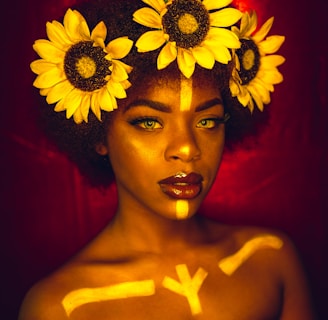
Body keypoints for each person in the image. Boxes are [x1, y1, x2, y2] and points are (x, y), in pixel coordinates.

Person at [19, 0, 316, 318]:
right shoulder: (63, 307)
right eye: (148, 122)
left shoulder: (269, 259)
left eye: (208, 121)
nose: (187, 149)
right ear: (97, 134)